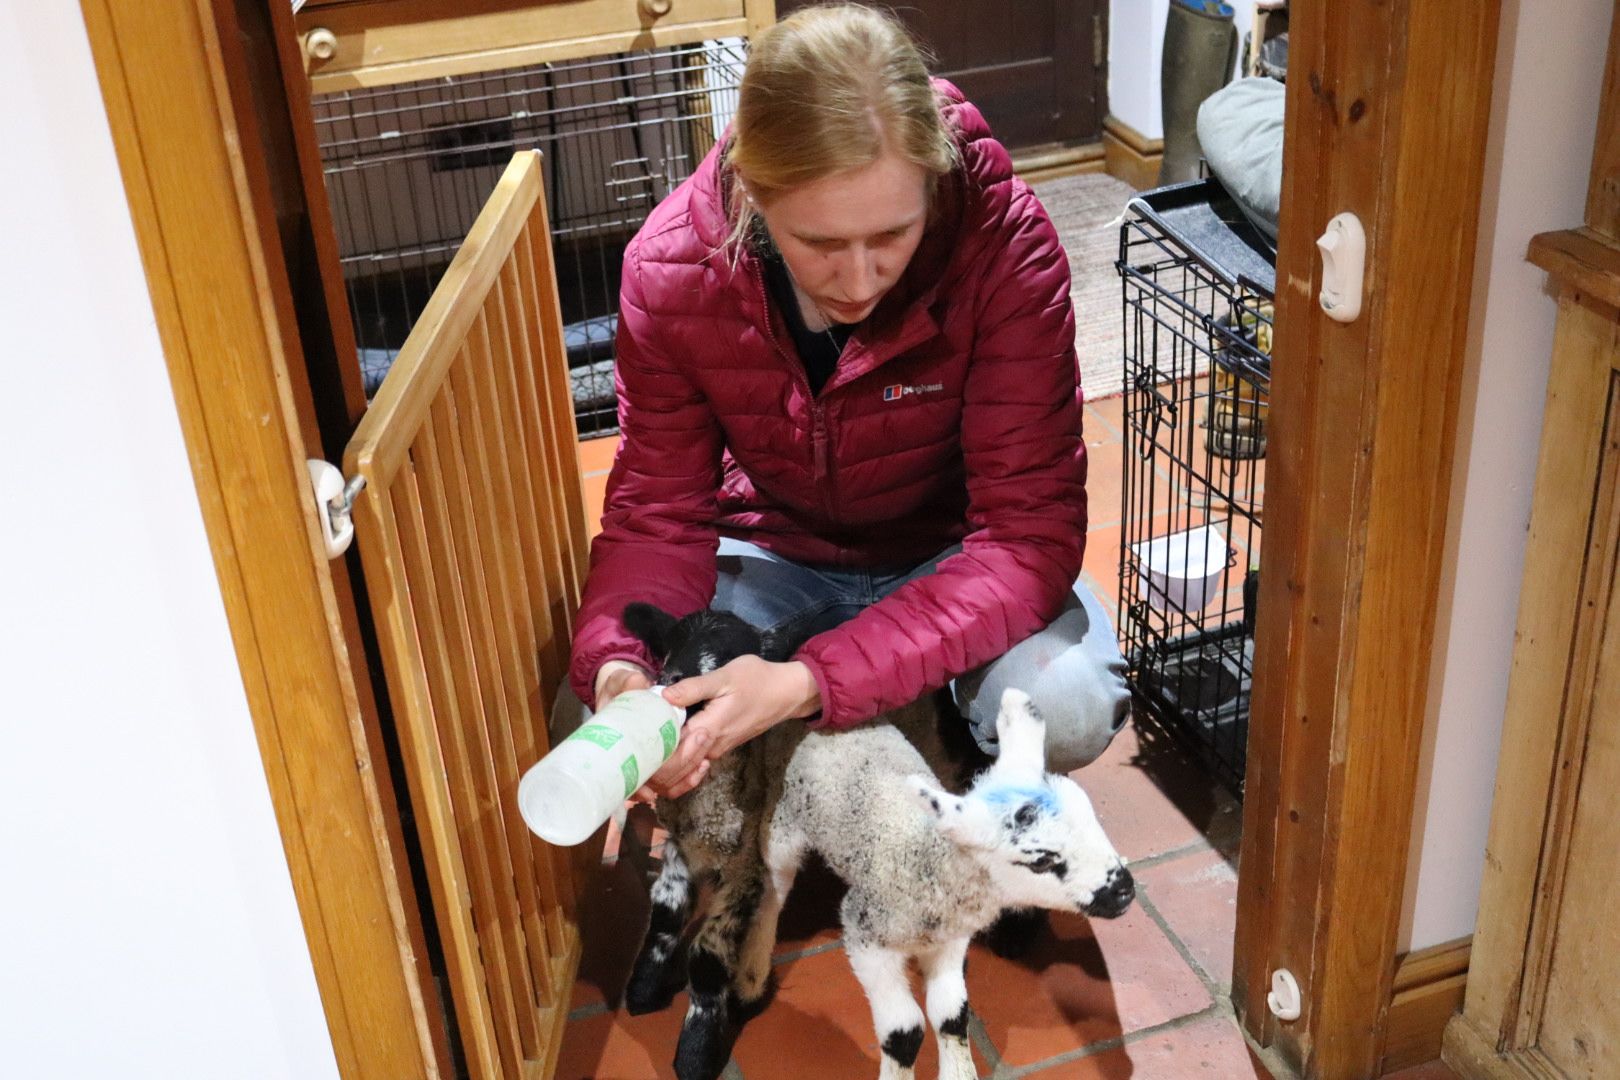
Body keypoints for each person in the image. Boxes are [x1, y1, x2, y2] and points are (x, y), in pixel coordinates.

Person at [565, 2, 1130, 801]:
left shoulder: (1007, 250)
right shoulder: (669, 270)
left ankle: (891, 704)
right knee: (597, 721)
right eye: (820, 244)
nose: (860, 281)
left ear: (933, 183)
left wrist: (805, 682)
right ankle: (904, 707)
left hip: (951, 554)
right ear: (754, 193)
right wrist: (622, 672)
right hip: (770, 552)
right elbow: (659, 513)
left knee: (1066, 705)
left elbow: (1027, 539)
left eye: (892, 236)